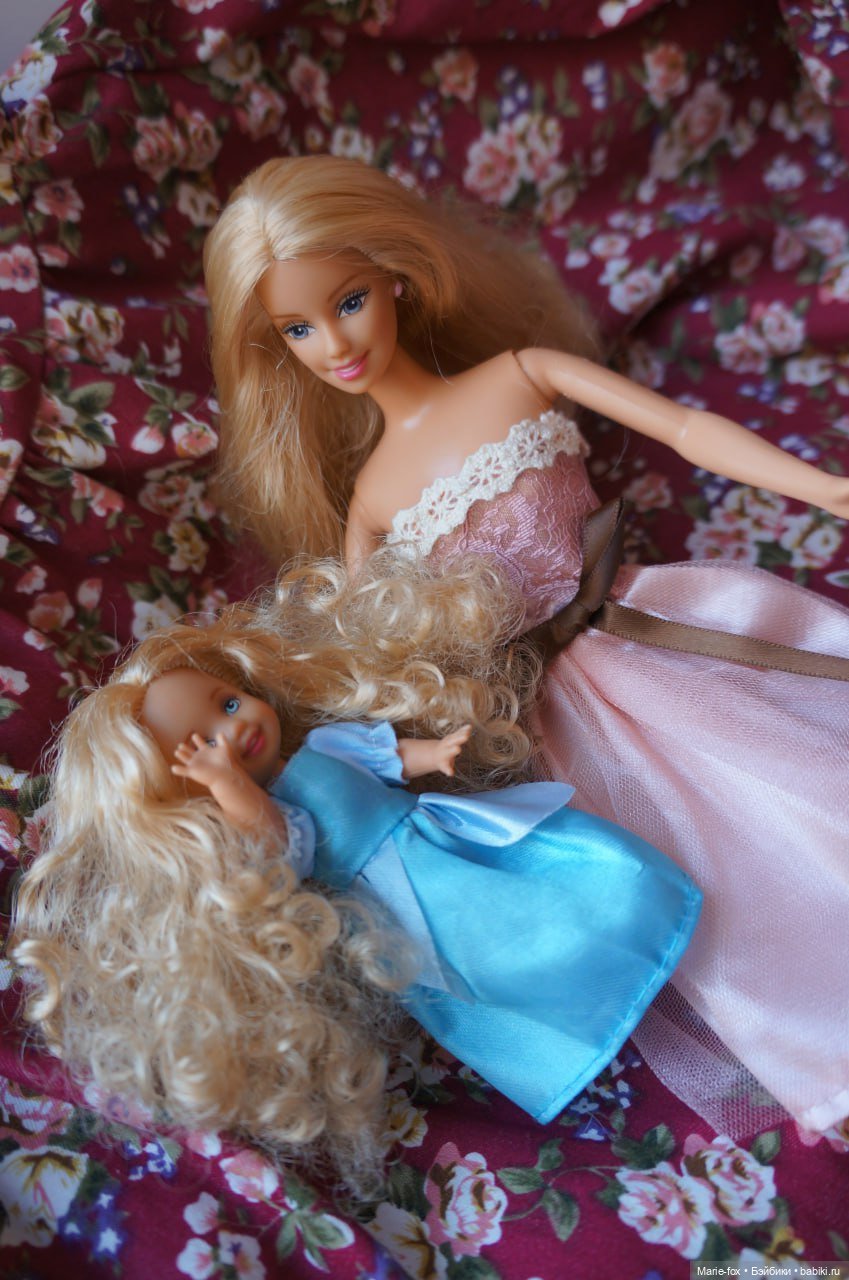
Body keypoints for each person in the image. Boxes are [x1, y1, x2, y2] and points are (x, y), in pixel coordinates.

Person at [203, 155, 849, 1137]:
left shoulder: (519, 374)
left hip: (655, 626)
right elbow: (370, 671)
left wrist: (829, 488)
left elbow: (686, 428)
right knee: (711, 885)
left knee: (805, 770)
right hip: (567, 723)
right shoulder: (369, 505)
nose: (332, 344)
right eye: (298, 329)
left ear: (397, 277)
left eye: (348, 302)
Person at [11, 556, 700, 1183]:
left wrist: (436, 755)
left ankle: (630, 929)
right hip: (401, 898)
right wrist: (230, 785)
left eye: (227, 703)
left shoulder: (325, 744)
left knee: (544, 885)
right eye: (203, 747)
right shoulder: (264, 815)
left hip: (438, 837)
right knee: (486, 952)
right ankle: (573, 1012)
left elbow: (387, 758)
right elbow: (275, 844)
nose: (234, 730)